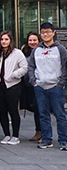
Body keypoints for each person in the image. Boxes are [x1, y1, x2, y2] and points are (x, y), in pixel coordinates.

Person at [27, 22, 67, 150]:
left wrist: (61, 83)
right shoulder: (36, 50)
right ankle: (46, 139)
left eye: (48, 32)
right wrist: (34, 82)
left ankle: (63, 140)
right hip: (40, 87)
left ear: (53, 33)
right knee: (43, 115)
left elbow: (65, 67)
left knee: (60, 115)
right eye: (43, 32)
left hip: (56, 87)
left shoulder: (60, 49)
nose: (45, 34)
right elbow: (31, 67)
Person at [0, 31, 27, 145]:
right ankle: (6, 134)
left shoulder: (17, 53)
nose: (4, 41)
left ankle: (15, 135)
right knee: (2, 111)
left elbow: (24, 68)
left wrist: (14, 75)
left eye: (6, 39)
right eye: (2, 39)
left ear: (10, 40)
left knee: (13, 110)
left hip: (13, 86)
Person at [21, 31, 42, 141]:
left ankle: (43, 132)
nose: (32, 42)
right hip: (28, 84)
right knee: (34, 107)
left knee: (40, 108)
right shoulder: (24, 51)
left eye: (34, 40)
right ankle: (38, 131)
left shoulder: (42, 51)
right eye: (30, 40)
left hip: (39, 83)